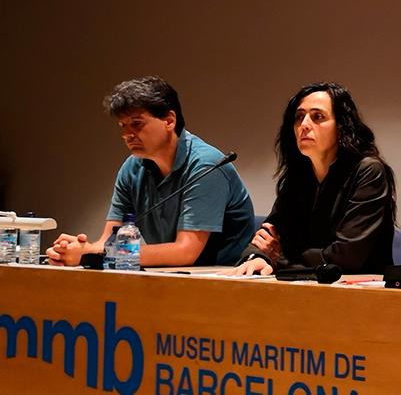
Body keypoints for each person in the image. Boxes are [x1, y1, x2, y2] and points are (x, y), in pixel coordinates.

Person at [47, 76, 255, 267]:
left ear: (169, 121)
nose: (127, 135)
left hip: (224, 278)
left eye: (137, 124)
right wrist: (79, 250)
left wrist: (91, 254)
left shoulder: (206, 165)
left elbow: (185, 252)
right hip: (172, 276)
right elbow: (108, 241)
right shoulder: (132, 167)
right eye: (123, 126)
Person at [229, 83, 396, 275]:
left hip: (362, 292)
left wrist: (280, 258)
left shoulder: (368, 171)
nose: (304, 125)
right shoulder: (299, 175)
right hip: (306, 284)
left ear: (341, 126)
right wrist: (258, 258)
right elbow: (268, 233)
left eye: (318, 117)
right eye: (299, 117)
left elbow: (345, 257)